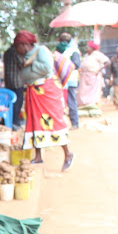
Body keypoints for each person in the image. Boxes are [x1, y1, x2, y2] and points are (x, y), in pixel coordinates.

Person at [14, 30, 73, 172]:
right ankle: (38, 155)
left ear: (24, 44)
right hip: (33, 92)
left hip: (46, 91)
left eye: (18, 46)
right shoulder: (24, 57)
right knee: (34, 122)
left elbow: (47, 68)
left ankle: (68, 153)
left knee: (54, 122)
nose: (17, 50)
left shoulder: (41, 51)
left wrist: (30, 64)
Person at [56, 32, 81, 129]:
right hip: (62, 81)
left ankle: (75, 123)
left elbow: (76, 64)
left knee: (71, 102)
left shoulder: (74, 50)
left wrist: (64, 66)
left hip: (70, 80)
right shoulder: (65, 50)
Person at [78, 41, 110, 108]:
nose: (86, 49)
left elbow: (108, 62)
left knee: (93, 92)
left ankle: (93, 105)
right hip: (84, 76)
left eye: (87, 47)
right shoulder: (86, 55)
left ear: (92, 48)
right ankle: (84, 105)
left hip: (93, 76)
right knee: (83, 92)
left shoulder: (97, 54)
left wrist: (99, 70)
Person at [3, 44, 25, 129]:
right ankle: (15, 122)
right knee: (17, 103)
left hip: (8, 82)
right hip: (17, 82)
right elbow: (22, 64)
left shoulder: (7, 52)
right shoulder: (15, 53)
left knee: (9, 103)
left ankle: (8, 122)